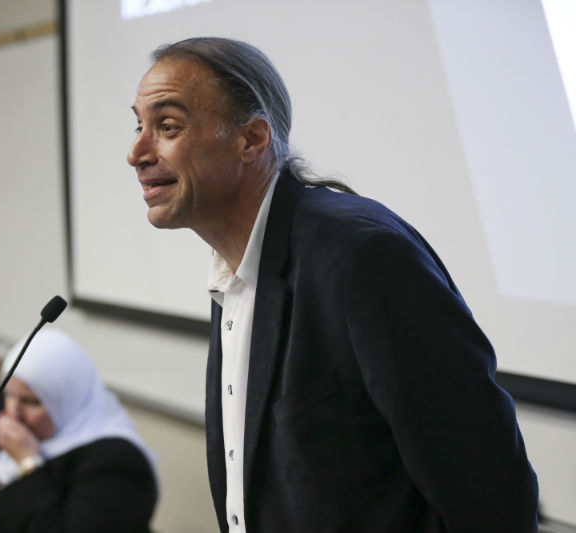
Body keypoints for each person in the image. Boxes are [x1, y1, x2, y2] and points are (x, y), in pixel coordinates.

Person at [127, 37, 539, 532]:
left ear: (252, 139)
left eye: (167, 127)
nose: (136, 153)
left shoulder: (360, 255)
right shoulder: (234, 269)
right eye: (138, 126)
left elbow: (488, 488)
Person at [0, 328, 157, 532]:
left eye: (30, 401)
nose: (14, 412)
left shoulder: (117, 462)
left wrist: (28, 463)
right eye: (9, 395)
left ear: (67, 400)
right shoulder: (24, 436)